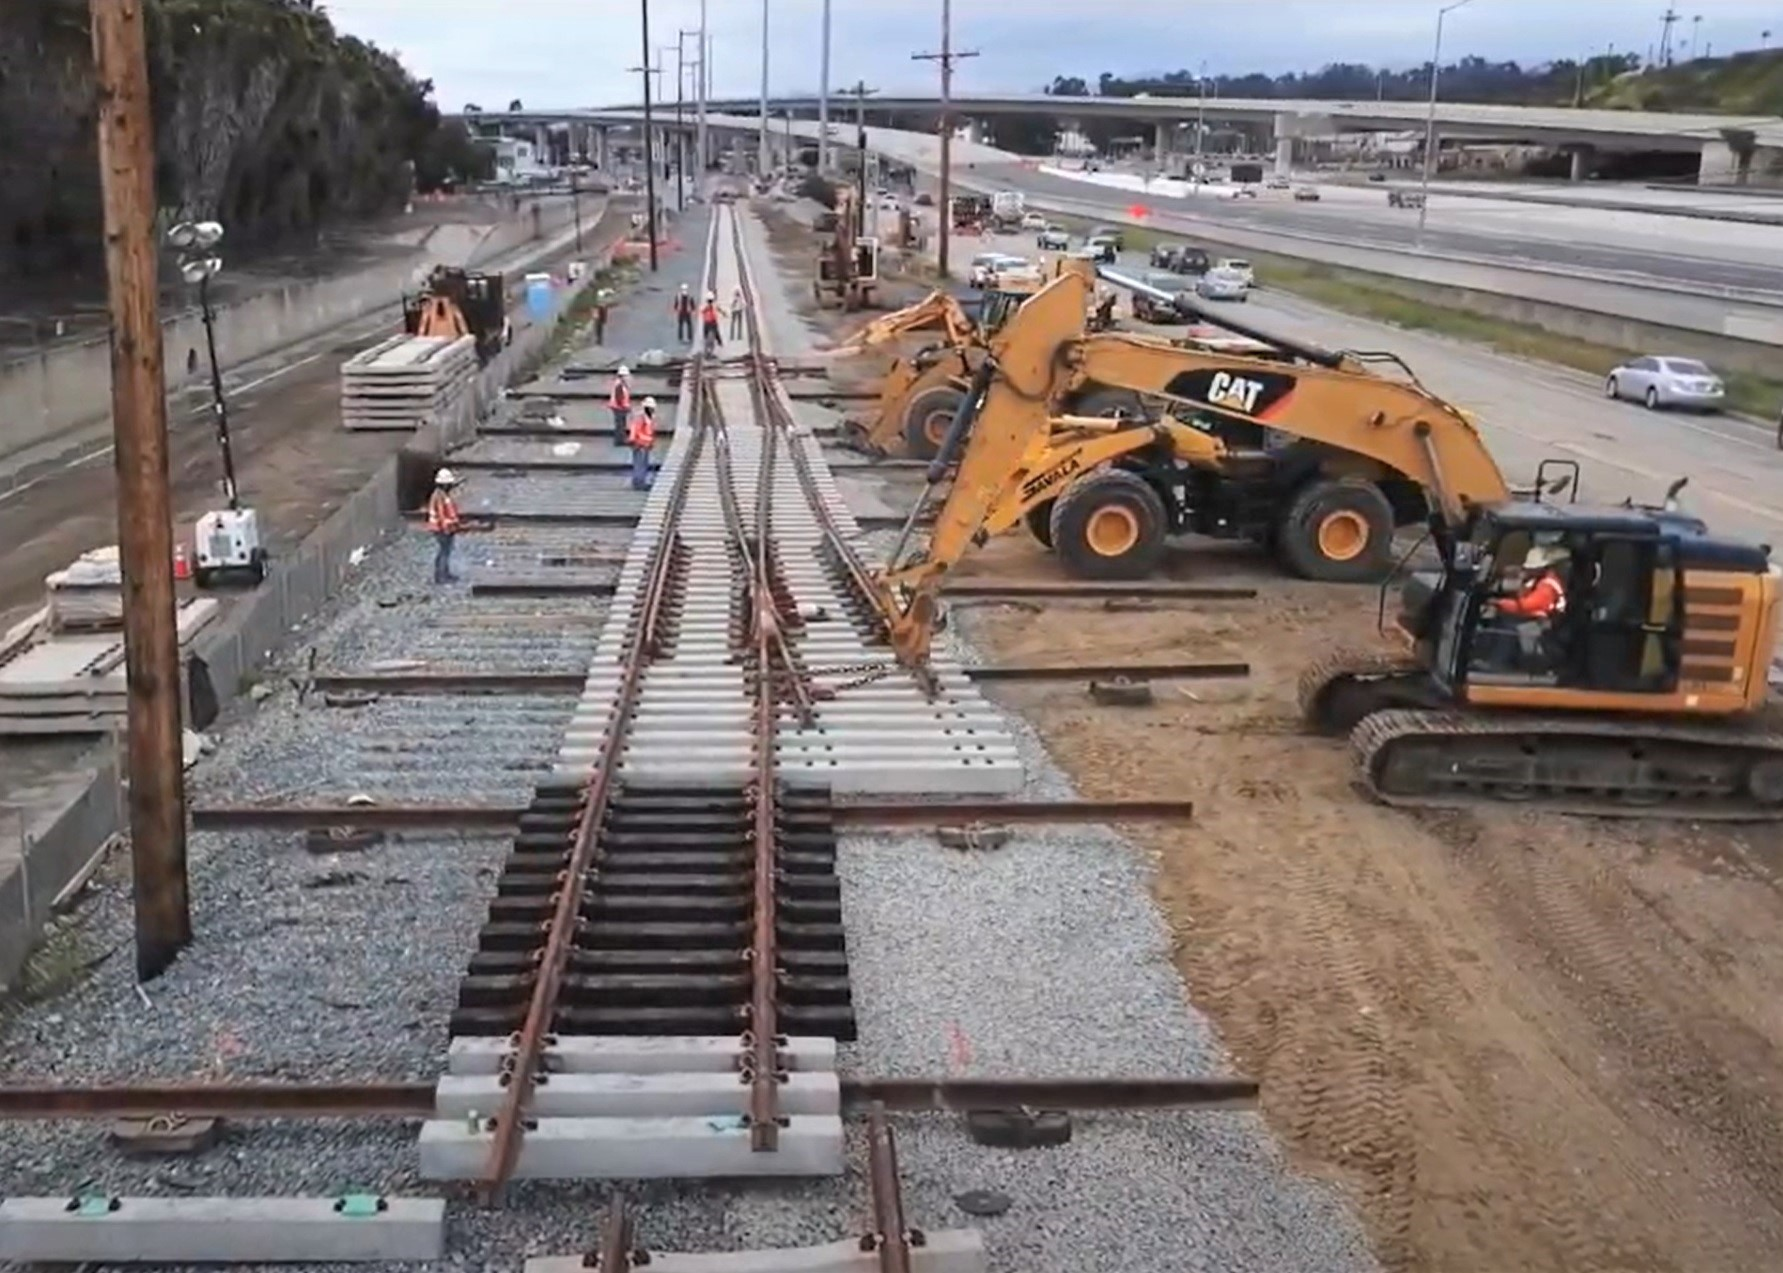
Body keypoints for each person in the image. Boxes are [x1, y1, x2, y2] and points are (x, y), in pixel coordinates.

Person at [1491, 544, 1568, 668]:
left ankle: (1499, 662)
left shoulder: (1547, 586)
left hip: (1547, 626)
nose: (1528, 570)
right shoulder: (1537, 581)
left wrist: (1498, 603)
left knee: (1509, 626)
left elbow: (1526, 606)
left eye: (1532, 568)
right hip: (1540, 621)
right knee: (1507, 621)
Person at [426, 468, 463, 585]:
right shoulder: (439, 496)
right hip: (441, 528)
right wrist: (446, 527)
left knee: (445, 551)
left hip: (443, 528)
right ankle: (441, 576)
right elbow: (442, 513)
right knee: (444, 552)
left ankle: (444, 574)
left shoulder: (441, 494)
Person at [627, 397, 658, 491]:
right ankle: (639, 482)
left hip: (645, 445)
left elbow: (650, 432)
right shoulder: (641, 418)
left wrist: (651, 442)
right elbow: (635, 430)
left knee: (643, 464)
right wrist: (634, 441)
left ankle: (640, 481)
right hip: (640, 444)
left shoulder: (649, 418)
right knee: (639, 464)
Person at [608, 365, 632, 445]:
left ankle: (620, 439)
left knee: (620, 424)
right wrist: (625, 407)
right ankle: (620, 440)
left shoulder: (620, 383)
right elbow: (619, 398)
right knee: (620, 425)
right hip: (619, 408)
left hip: (618, 407)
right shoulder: (619, 385)